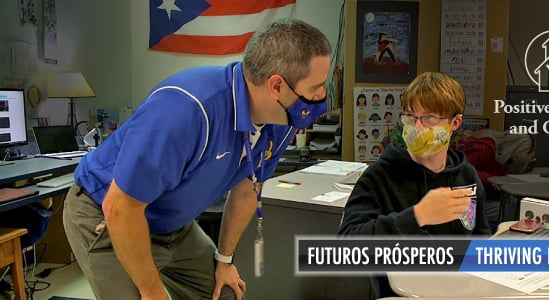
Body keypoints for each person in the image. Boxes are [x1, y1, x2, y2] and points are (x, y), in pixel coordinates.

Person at [62, 19, 331, 300]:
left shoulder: (282, 119)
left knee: (225, 293)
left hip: (172, 223)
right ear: (277, 86)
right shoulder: (185, 111)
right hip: (110, 213)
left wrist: (225, 261)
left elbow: (247, 192)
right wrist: (152, 291)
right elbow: (120, 207)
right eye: (316, 86)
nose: (321, 96)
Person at [338, 72, 491, 298]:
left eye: (428, 118)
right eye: (410, 117)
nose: (417, 126)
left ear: (454, 123)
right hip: (404, 294)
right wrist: (417, 216)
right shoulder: (381, 176)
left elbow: (479, 235)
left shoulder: (466, 176)